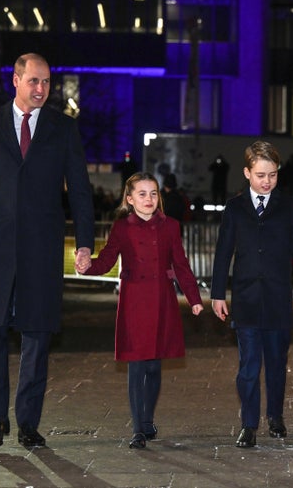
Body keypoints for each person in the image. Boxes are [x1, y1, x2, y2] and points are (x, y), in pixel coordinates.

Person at [0, 53, 95, 450]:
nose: (41, 89)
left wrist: (85, 242)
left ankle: (29, 421)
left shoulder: (63, 129)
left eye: (47, 82)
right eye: (34, 81)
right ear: (15, 80)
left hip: (42, 247)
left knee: (37, 332)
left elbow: (80, 189)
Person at [80, 172, 204, 449]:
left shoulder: (171, 226)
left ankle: (147, 420)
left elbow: (181, 264)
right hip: (134, 301)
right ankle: (137, 429)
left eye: (153, 193)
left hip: (162, 299)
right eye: (142, 194)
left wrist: (194, 298)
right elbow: (109, 258)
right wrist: (88, 265)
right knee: (136, 365)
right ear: (129, 199)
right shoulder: (122, 227)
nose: (149, 199)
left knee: (154, 364)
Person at [211, 141, 293, 448]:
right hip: (245, 299)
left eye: (272, 174)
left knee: (276, 363)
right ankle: (249, 424)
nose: (266, 181)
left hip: (278, 299)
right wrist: (218, 294)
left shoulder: (287, 206)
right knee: (248, 366)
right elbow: (223, 252)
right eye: (260, 175)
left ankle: (276, 416)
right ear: (247, 173)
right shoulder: (234, 207)